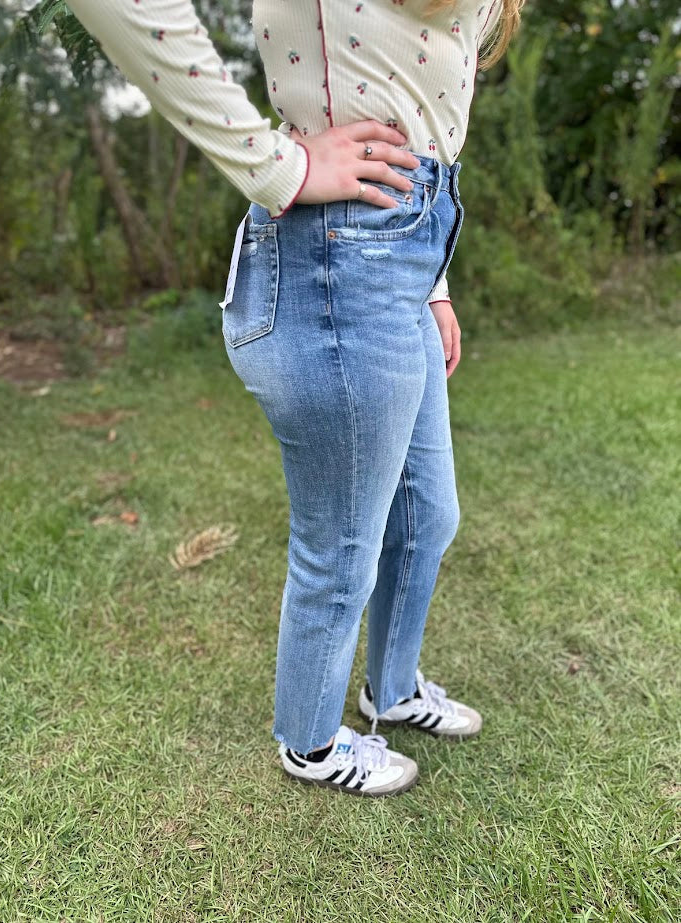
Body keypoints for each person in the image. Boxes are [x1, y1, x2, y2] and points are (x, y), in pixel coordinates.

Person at [67, 0, 524, 797]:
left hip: (402, 256)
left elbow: (419, 118)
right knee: (342, 540)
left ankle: (393, 686)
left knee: (426, 515)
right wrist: (274, 164)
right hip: (337, 260)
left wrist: (435, 283)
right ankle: (309, 742)